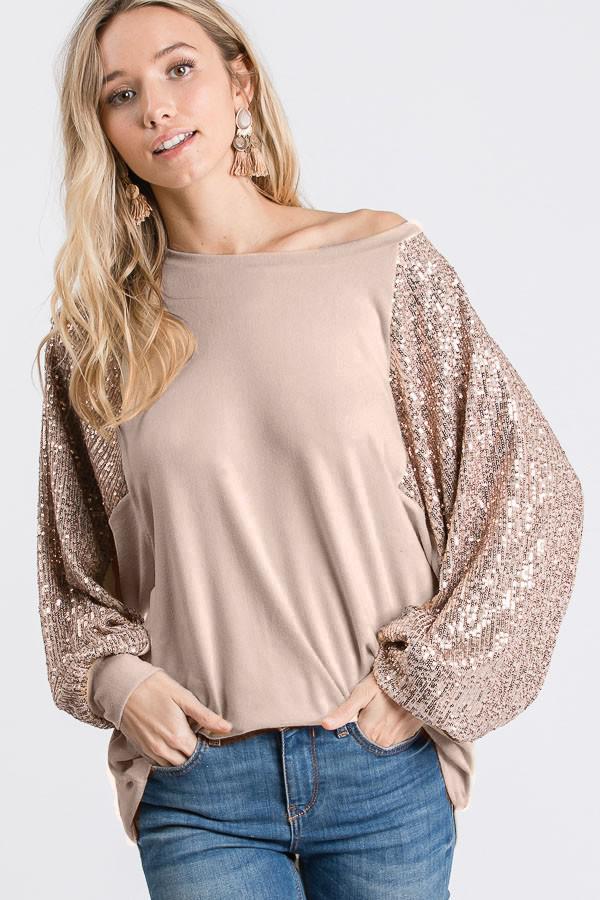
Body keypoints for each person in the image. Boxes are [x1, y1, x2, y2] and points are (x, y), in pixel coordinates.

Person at [34, 1, 584, 898]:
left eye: (179, 70)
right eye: (121, 93)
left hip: (381, 773)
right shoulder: (99, 337)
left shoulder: (380, 263)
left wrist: (422, 683)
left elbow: (533, 494)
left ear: (239, 81)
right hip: (201, 786)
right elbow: (73, 574)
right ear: (103, 130)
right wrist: (118, 681)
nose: (157, 107)